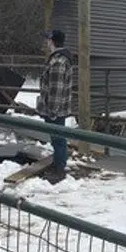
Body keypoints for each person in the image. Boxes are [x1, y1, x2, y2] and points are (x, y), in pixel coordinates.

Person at [36, 29, 74, 183]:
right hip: (58, 108)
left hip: (55, 109)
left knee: (58, 138)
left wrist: (52, 110)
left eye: (48, 40)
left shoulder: (58, 62)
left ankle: (59, 169)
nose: (46, 43)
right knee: (57, 138)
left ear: (52, 41)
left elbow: (56, 90)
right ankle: (58, 165)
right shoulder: (59, 59)